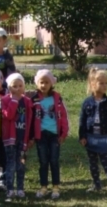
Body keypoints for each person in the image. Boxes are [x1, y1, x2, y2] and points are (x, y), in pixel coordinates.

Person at [78, 68, 107, 196]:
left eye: (106, 83)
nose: (104, 85)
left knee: (106, 162)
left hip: (103, 138)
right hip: (90, 137)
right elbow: (82, 120)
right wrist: (82, 136)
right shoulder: (87, 103)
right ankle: (97, 184)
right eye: (101, 83)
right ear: (92, 84)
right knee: (93, 163)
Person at [32, 69, 68, 199]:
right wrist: (31, 136)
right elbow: (31, 118)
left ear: (51, 83)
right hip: (41, 135)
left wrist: (63, 134)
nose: (44, 85)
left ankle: (56, 187)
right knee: (43, 161)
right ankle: (43, 187)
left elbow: (63, 116)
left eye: (46, 82)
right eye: (41, 82)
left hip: (54, 135)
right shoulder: (34, 98)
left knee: (54, 160)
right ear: (37, 83)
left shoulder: (57, 98)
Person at [0, 73, 32, 201]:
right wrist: (13, 100)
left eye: (20, 86)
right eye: (14, 86)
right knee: (11, 164)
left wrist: (29, 138)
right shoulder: (5, 100)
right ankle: (10, 189)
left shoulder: (27, 102)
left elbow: (30, 120)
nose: (18, 89)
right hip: (10, 139)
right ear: (9, 87)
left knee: (21, 164)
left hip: (22, 138)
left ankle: (20, 188)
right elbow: (8, 115)